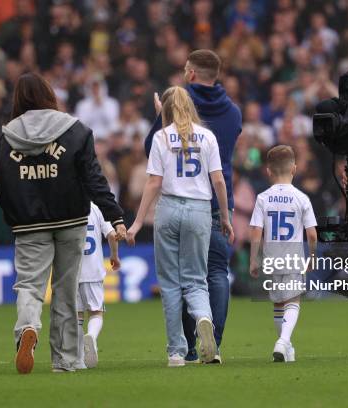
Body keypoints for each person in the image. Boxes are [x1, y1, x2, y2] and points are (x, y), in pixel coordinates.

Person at [0, 72, 126, 374]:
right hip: (72, 221)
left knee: (29, 285)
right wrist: (114, 216)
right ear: (49, 95)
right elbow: (94, 178)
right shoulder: (75, 130)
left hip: (30, 225)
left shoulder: (6, 138)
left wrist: (16, 218)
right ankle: (65, 360)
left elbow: (1, 186)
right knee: (67, 291)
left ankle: (28, 327)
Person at [144, 49, 242, 363]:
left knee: (179, 278)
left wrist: (163, 116)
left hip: (178, 200)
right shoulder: (233, 113)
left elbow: (153, 150)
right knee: (214, 273)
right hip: (216, 202)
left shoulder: (178, 105)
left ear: (190, 74)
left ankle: (184, 346)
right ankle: (214, 338)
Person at [127, 86, 234, 367]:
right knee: (196, 280)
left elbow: (153, 182)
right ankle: (203, 319)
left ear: (166, 109)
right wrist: (224, 217)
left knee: (171, 284)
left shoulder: (162, 137)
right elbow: (219, 181)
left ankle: (176, 351)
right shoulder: (207, 136)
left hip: (169, 208)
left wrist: (137, 222)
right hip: (200, 210)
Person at [249, 145, 318, 362]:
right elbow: (313, 235)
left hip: (271, 259)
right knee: (293, 301)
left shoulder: (262, 198)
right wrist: (313, 257)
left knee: (279, 303)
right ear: (294, 169)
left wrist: (254, 259)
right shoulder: (302, 198)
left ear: (268, 171)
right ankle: (283, 341)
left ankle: (286, 347)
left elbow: (256, 233)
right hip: (293, 258)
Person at [76, 203, 121, 369]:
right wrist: (114, 255)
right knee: (96, 312)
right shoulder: (96, 209)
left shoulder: (65, 206)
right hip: (93, 271)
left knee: (77, 317)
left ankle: (79, 360)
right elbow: (111, 234)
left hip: (71, 271)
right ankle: (92, 336)